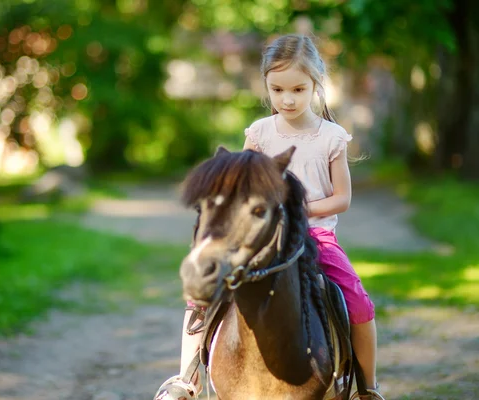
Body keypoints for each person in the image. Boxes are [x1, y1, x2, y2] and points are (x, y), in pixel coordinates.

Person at [154, 33, 383, 400]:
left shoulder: (331, 137)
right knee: (202, 297)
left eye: (297, 89)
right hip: (260, 233)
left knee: (358, 302)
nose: (287, 99)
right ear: (266, 86)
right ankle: (186, 379)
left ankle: (367, 388)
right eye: (277, 90)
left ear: (315, 85)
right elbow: (239, 186)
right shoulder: (260, 133)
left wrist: (297, 207)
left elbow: (342, 198)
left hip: (316, 236)